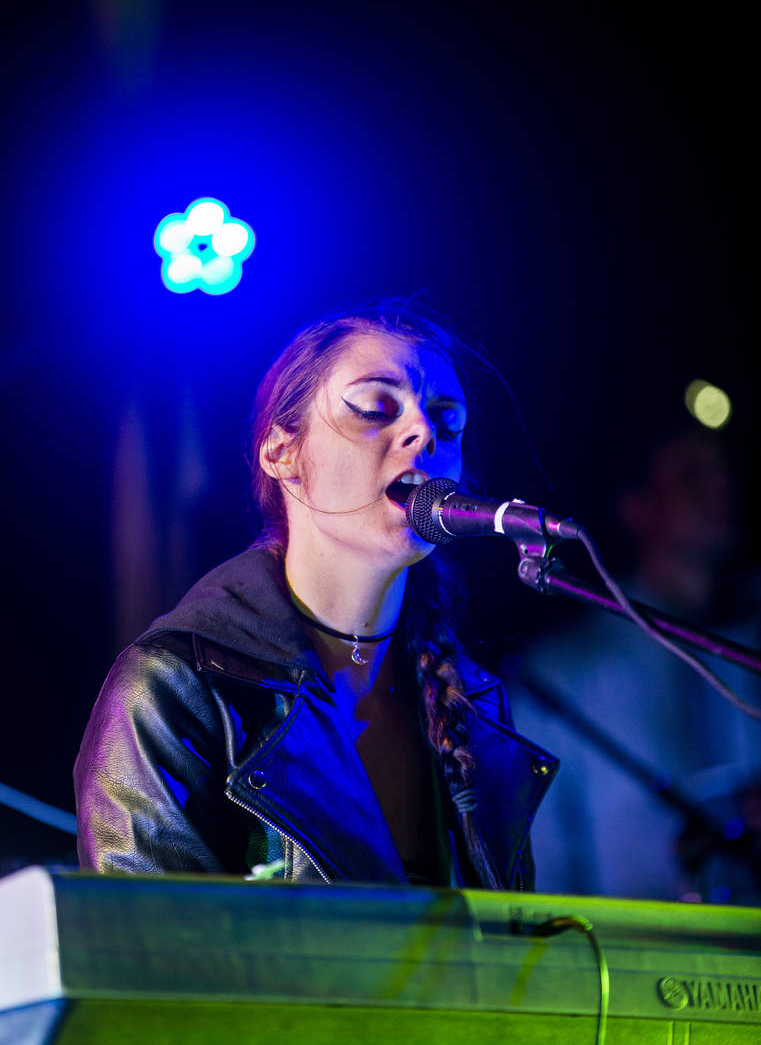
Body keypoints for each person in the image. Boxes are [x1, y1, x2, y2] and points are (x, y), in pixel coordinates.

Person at [74, 302, 558, 888]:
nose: (424, 432)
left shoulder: (473, 700)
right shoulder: (174, 685)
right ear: (282, 453)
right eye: (377, 408)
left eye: (447, 421)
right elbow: (147, 959)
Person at [508, 425, 761, 903]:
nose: (720, 488)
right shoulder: (560, 673)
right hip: (633, 957)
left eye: (723, 472)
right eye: (692, 475)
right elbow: (539, 864)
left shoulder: (750, 640)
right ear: (637, 506)